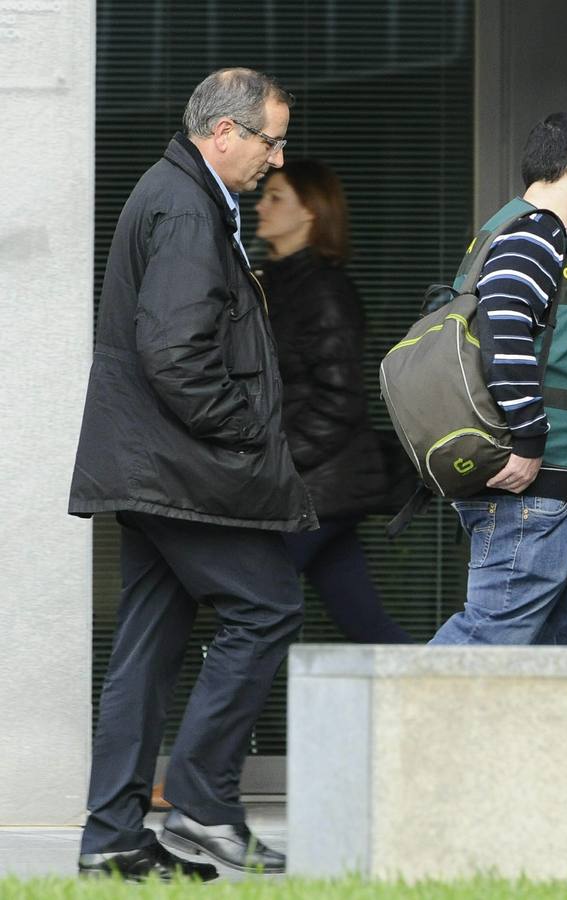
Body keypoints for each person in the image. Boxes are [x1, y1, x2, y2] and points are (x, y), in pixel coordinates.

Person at [69, 68, 305, 879]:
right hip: (178, 466)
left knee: (148, 643)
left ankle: (112, 838)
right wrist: (243, 434)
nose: (279, 156)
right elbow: (174, 353)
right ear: (225, 134)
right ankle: (202, 805)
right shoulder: (184, 207)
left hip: (155, 463)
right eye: (271, 138)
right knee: (268, 604)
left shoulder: (187, 197)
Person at [428, 113, 567, 646]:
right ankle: (379, 727)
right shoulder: (531, 234)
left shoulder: (566, 244)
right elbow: (504, 326)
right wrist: (528, 441)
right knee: (487, 639)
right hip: (540, 489)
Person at [254, 159, 413, 644]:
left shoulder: (321, 291)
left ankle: (223, 723)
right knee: (366, 625)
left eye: (276, 197)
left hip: (315, 490)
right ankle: (441, 710)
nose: (260, 206)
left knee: (252, 615)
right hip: (324, 489)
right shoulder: (276, 283)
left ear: (311, 213)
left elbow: (339, 401)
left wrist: (275, 461)